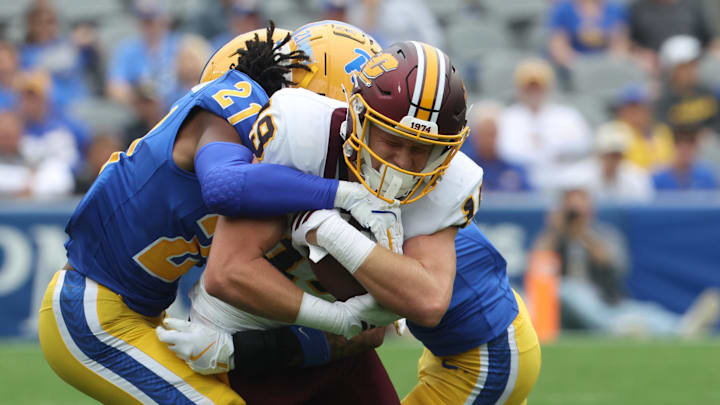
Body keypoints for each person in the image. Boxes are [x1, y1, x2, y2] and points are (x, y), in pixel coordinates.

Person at [38, 22, 400, 405]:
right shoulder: (232, 110)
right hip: (92, 312)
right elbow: (224, 187)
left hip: (140, 312)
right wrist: (342, 192)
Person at [157, 39, 484, 404]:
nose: (401, 163)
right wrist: (339, 318)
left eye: (420, 149)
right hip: (236, 333)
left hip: (337, 351)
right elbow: (228, 272)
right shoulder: (303, 136)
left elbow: (426, 302)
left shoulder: (449, 184)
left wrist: (327, 230)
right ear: (357, 114)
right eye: (391, 139)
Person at [160, 225, 542, 405]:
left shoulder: (355, 212)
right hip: (484, 334)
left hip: (485, 354)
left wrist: (234, 350)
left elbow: (362, 332)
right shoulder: (373, 182)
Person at [533, 188, 720, 335]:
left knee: (643, 310)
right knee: (569, 289)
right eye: (572, 211)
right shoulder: (554, 236)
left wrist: (582, 234)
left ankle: (681, 327)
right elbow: (538, 265)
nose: (576, 217)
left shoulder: (602, 234)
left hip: (606, 300)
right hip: (564, 302)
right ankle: (619, 328)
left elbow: (610, 263)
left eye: (580, 211)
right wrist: (555, 229)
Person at [497, 58, 592, 192]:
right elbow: (506, 151)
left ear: (548, 87)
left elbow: (582, 143)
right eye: (530, 87)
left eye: (539, 87)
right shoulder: (508, 117)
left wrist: (548, 146)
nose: (534, 91)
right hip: (522, 185)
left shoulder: (567, 115)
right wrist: (548, 150)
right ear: (519, 89)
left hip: (562, 184)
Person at [462, 101, 531, 192]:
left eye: (492, 134)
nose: (488, 140)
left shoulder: (515, 170)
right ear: (474, 135)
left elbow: (532, 199)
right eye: (484, 133)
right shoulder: (463, 167)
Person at [652, 124, 718, 190]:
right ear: (673, 145)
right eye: (680, 143)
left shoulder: (706, 176)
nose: (685, 149)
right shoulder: (659, 178)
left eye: (690, 144)